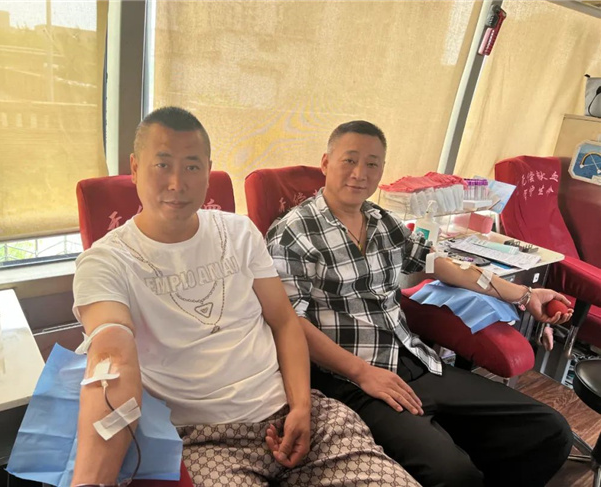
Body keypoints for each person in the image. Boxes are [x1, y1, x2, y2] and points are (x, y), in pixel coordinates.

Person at [70, 107, 420, 487]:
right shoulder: (106, 261)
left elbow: (284, 321)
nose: (176, 183)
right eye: (162, 165)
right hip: (206, 441)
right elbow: (111, 357)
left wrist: (301, 407)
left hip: (297, 413)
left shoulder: (239, 233)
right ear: (136, 168)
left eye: (191, 166)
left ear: (208, 170)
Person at [266, 120, 574, 487]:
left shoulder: (383, 222)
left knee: (549, 431)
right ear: (326, 162)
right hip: (349, 378)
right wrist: (362, 373)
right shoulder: (294, 232)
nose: (360, 173)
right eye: (349, 160)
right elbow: (289, 323)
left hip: (416, 360)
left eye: (372, 164)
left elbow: (439, 263)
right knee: (452, 474)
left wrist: (523, 294)